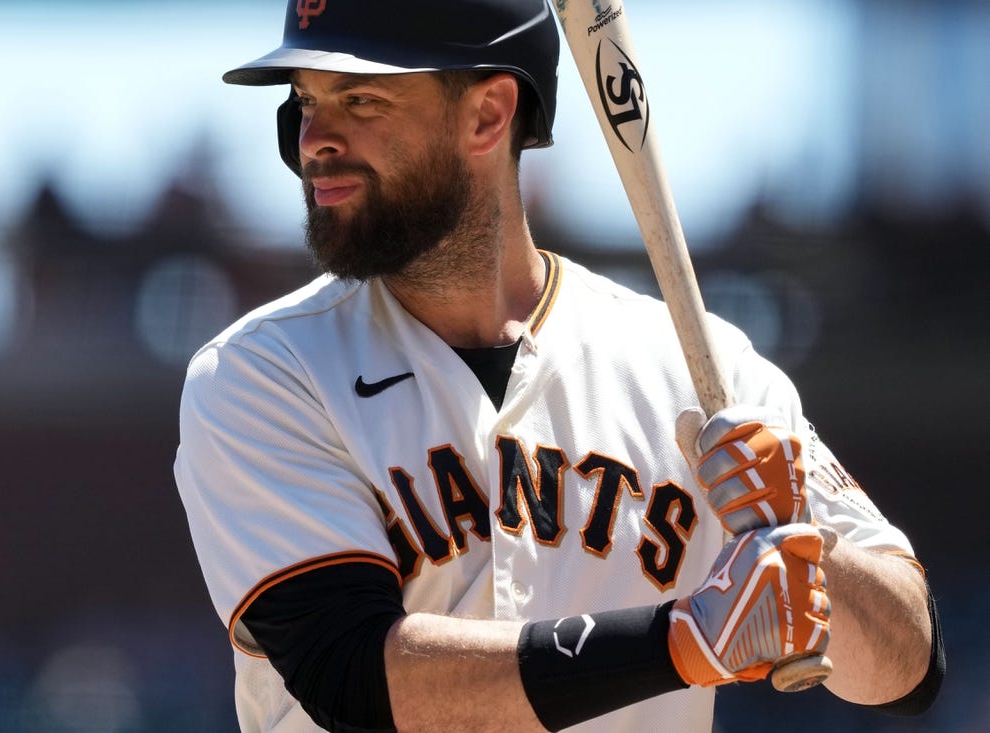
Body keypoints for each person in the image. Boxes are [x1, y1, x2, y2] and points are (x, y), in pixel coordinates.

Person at [173, 1, 944, 730]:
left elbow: (908, 667)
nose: (314, 140)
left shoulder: (702, 369)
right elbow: (355, 674)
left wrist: (804, 539)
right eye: (306, 103)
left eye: (361, 101)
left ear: (488, 113)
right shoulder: (262, 375)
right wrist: (680, 643)